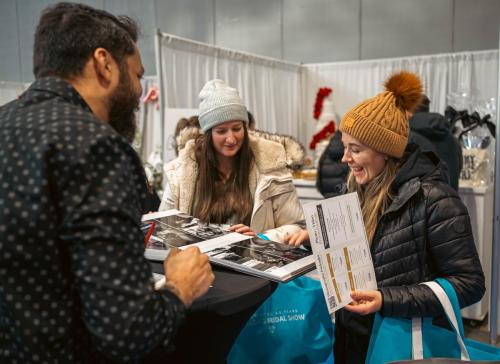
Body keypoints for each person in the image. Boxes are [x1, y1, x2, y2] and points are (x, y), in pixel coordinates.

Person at [0, 3, 214, 363]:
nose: (138, 92)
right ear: (104, 64)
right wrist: (180, 288)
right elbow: (128, 331)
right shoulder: (95, 145)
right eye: (136, 75)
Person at [285, 71, 485, 363]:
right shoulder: (355, 188)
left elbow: (470, 284)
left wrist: (385, 300)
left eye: (355, 149)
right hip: (352, 339)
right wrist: (311, 237)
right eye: (345, 147)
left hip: (399, 344)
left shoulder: (435, 199)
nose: (344, 158)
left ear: (386, 153)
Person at [160, 79, 305, 243]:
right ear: (208, 134)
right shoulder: (183, 171)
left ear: (245, 126)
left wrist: (260, 238)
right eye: (221, 131)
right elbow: (165, 232)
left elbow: (296, 225)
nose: (231, 138)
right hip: (198, 264)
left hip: (253, 264)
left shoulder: (271, 166)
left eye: (237, 128)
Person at [409, 95, 463, 190]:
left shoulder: (406, 137)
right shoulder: (451, 138)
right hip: (449, 200)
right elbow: (458, 168)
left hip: (418, 202)